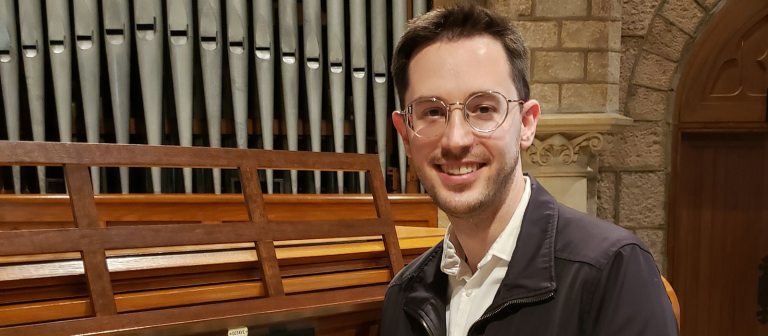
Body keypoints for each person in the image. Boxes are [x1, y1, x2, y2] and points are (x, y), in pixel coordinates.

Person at [380, 5, 678, 336]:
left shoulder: (612, 271)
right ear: (405, 134)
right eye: (432, 112)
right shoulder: (403, 295)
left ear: (526, 124)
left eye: (483, 109)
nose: (455, 139)